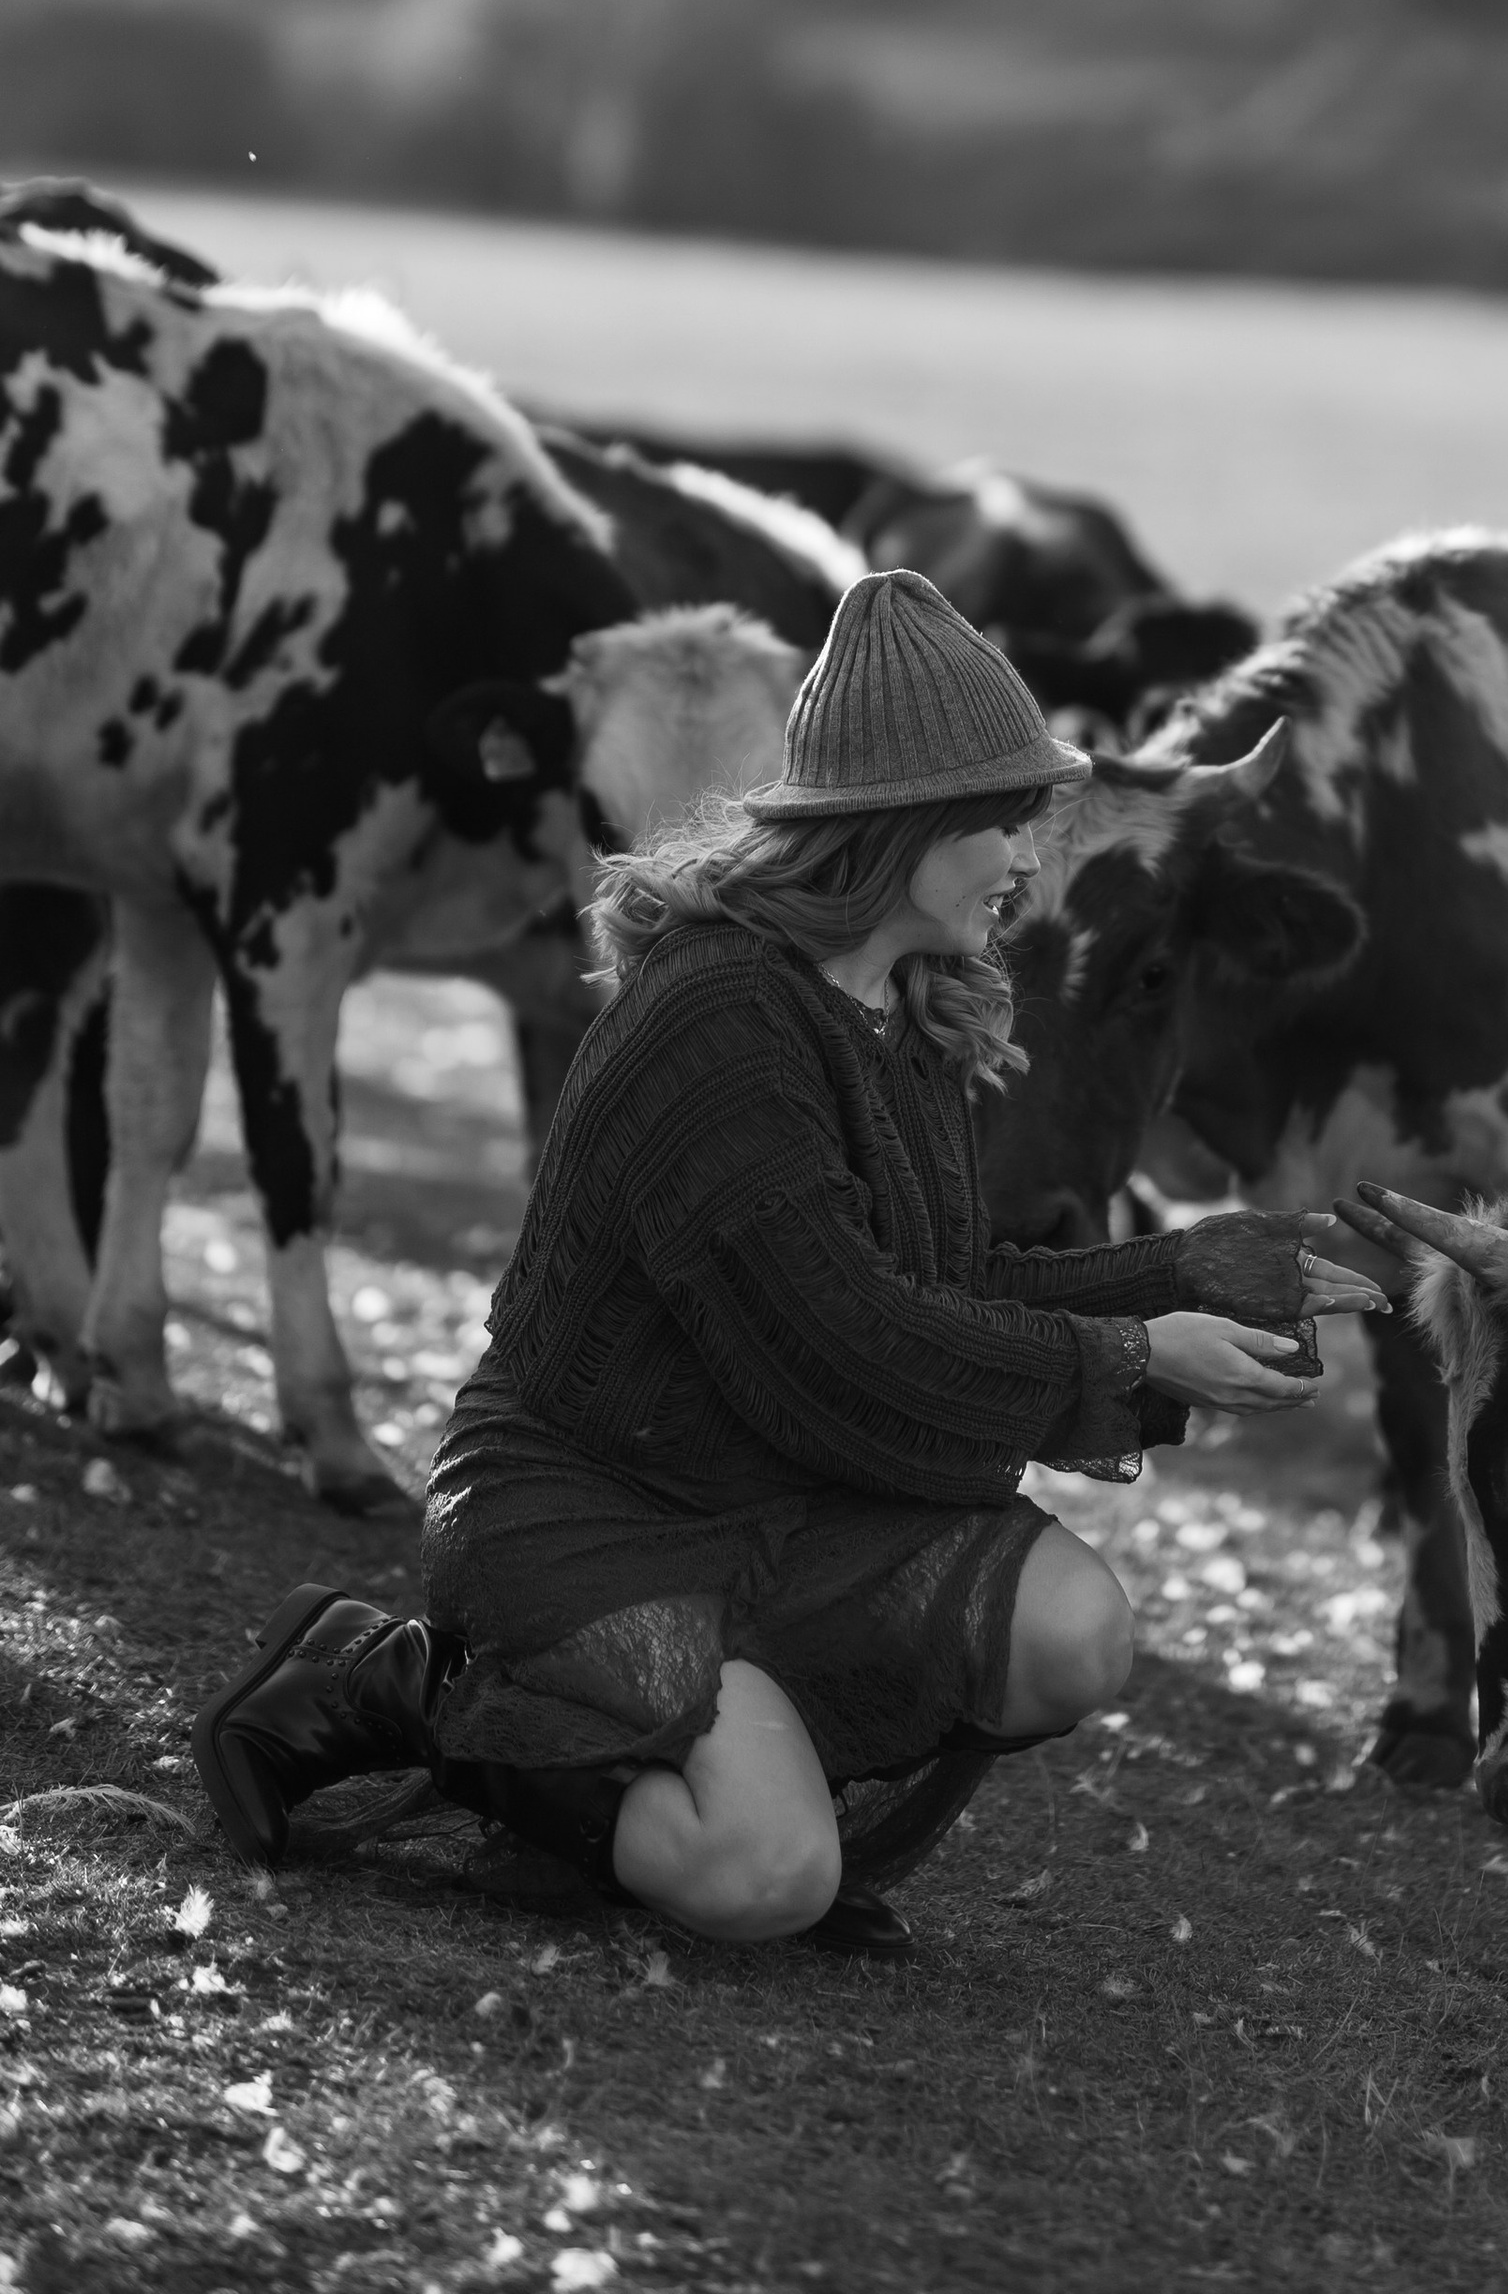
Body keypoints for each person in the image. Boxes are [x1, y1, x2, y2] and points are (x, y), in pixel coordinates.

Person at [193, 570, 1383, 1956]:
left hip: (788, 1493)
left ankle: (676, 1771)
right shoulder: (722, 1020)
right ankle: (407, 1687)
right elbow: (853, 1336)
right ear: (899, 829)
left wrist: (1197, 1275)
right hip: (597, 1510)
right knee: (763, 1881)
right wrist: (1128, 1354)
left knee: (1074, 1636)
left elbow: (938, 1284)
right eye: (1003, 821)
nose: (1027, 857)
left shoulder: (907, 1004)